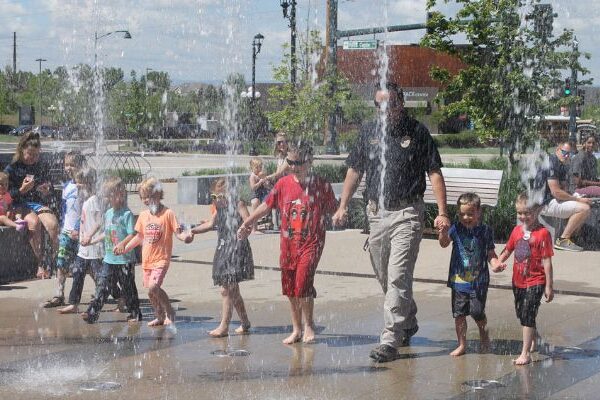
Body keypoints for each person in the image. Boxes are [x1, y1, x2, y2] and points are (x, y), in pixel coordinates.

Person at [332, 82, 450, 362]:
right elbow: (354, 170)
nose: (387, 110)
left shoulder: (417, 132)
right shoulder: (369, 132)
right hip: (376, 214)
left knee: (398, 275)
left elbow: (434, 173)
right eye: (380, 106)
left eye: (392, 104)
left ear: (402, 102)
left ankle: (390, 339)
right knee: (384, 274)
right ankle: (407, 318)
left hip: (407, 213)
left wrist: (443, 212)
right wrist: (342, 206)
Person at [238, 140, 337, 344]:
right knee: (290, 288)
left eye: (298, 163)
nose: (294, 167)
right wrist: (247, 223)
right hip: (288, 245)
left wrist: (340, 213)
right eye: (290, 162)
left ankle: (309, 326)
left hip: (312, 243)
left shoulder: (321, 184)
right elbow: (265, 206)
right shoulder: (283, 184)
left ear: (309, 161)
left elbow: (335, 209)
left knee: (302, 285)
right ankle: (296, 329)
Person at [117, 177, 193, 327]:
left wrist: (186, 237)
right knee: (151, 292)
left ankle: (169, 311)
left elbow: (178, 232)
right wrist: (125, 248)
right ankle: (159, 315)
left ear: (158, 195)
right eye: (143, 197)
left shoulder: (168, 213)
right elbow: (139, 237)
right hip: (147, 260)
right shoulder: (144, 216)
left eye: (150, 196)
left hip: (161, 259)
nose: (146, 200)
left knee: (154, 287)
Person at [438, 192, 505, 356]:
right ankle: (462, 344)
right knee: (459, 314)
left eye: (470, 213)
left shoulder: (485, 230)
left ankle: (483, 334)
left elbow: (490, 253)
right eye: (462, 214)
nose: (466, 217)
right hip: (458, 280)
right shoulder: (456, 228)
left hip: (479, 281)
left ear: (479, 212)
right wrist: (443, 232)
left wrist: (495, 264)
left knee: (476, 312)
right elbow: (444, 244)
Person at [191, 177, 254, 337]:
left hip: (236, 249)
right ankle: (245, 321)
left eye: (220, 197)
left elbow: (249, 222)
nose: (216, 200)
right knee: (233, 291)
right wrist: (193, 231)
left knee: (226, 289)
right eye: (214, 197)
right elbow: (211, 224)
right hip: (223, 249)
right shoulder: (219, 208)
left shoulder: (238, 204)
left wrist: (244, 230)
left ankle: (224, 327)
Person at [498, 192, 554, 366]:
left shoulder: (543, 233)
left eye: (527, 213)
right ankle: (534, 338)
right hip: (518, 281)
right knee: (522, 314)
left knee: (528, 314)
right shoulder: (516, 231)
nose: (523, 217)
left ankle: (525, 354)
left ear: (537, 211)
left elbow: (547, 261)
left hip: (536, 281)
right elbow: (508, 250)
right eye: (520, 213)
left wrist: (549, 286)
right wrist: (498, 262)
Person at [82, 177, 142, 323]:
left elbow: (132, 233)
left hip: (124, 260)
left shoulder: (126, 214)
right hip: (109, 259)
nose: (108, 199)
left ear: (121, 194)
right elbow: (107, 233)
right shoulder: (109, 213)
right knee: (103, 286)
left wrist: (122, 244)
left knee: (128, 288)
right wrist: (92, 241)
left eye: (111, 195)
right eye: (107, 196)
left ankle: (135, 313)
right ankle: (92, 313)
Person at [4, 130, 59, 279]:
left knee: (53, 225)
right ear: (22, 150)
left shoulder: (41, 166)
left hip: (37, 203)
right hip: (19, 205)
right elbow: (5, 197)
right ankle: (40, 264)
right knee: (34, 224)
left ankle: (58, 263)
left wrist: (48, 189)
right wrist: (21, 190)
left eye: (36, 155)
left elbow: (51, 187)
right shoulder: (12, 168)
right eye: (30, 154)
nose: (32, 158)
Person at [57, 168, 104, 315]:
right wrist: (78, 230)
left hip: (94, 248)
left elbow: (100, 221)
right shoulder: (85, 200)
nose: (77, 186)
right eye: (76, 183)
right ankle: (74, 304)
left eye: (80, 184)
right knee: (77, 273)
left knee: (100, 276)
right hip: (84, 248)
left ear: (89, 184)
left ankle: (120, 297)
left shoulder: (94, 200)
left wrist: (89, 235)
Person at [43, 151, 86, 307]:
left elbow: (86, 210)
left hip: (82, 233)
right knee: (61, 263)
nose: (68, 168)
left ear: (81, 166)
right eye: (66, 164)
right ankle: (59, 294)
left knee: (88, 266)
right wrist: (62, 226)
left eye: (72, 165)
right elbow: (64, 209)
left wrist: (78, 227)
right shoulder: (67, 186)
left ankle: (104, 290)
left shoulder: (86, 187)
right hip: (67, 233)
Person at [534, 141, 591, 251]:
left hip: (553, 200)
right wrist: (578, 199)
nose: (567, 156)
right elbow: (556, 192)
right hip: (543, 204)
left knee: (583, 203)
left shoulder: (563, 165)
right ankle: (563, 240)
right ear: (557, 150)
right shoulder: (552, 162)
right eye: (564, 152)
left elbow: (564, 190)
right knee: (584, 209)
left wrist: (577, 197)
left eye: (570, 154)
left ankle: (573, 238)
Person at [248, 157, 271, 231]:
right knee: (255, 203)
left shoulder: (262, 175)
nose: (259, 169)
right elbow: (253, 188)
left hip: (263, 193)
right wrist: (260, 182)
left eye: (260, 167)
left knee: (268, 202)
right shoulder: (252, 176)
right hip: (256, 194)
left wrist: (266, 182)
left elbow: (268, 186)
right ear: (252, 168)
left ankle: (266, 218)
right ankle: (254, 228)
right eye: (257, 167)